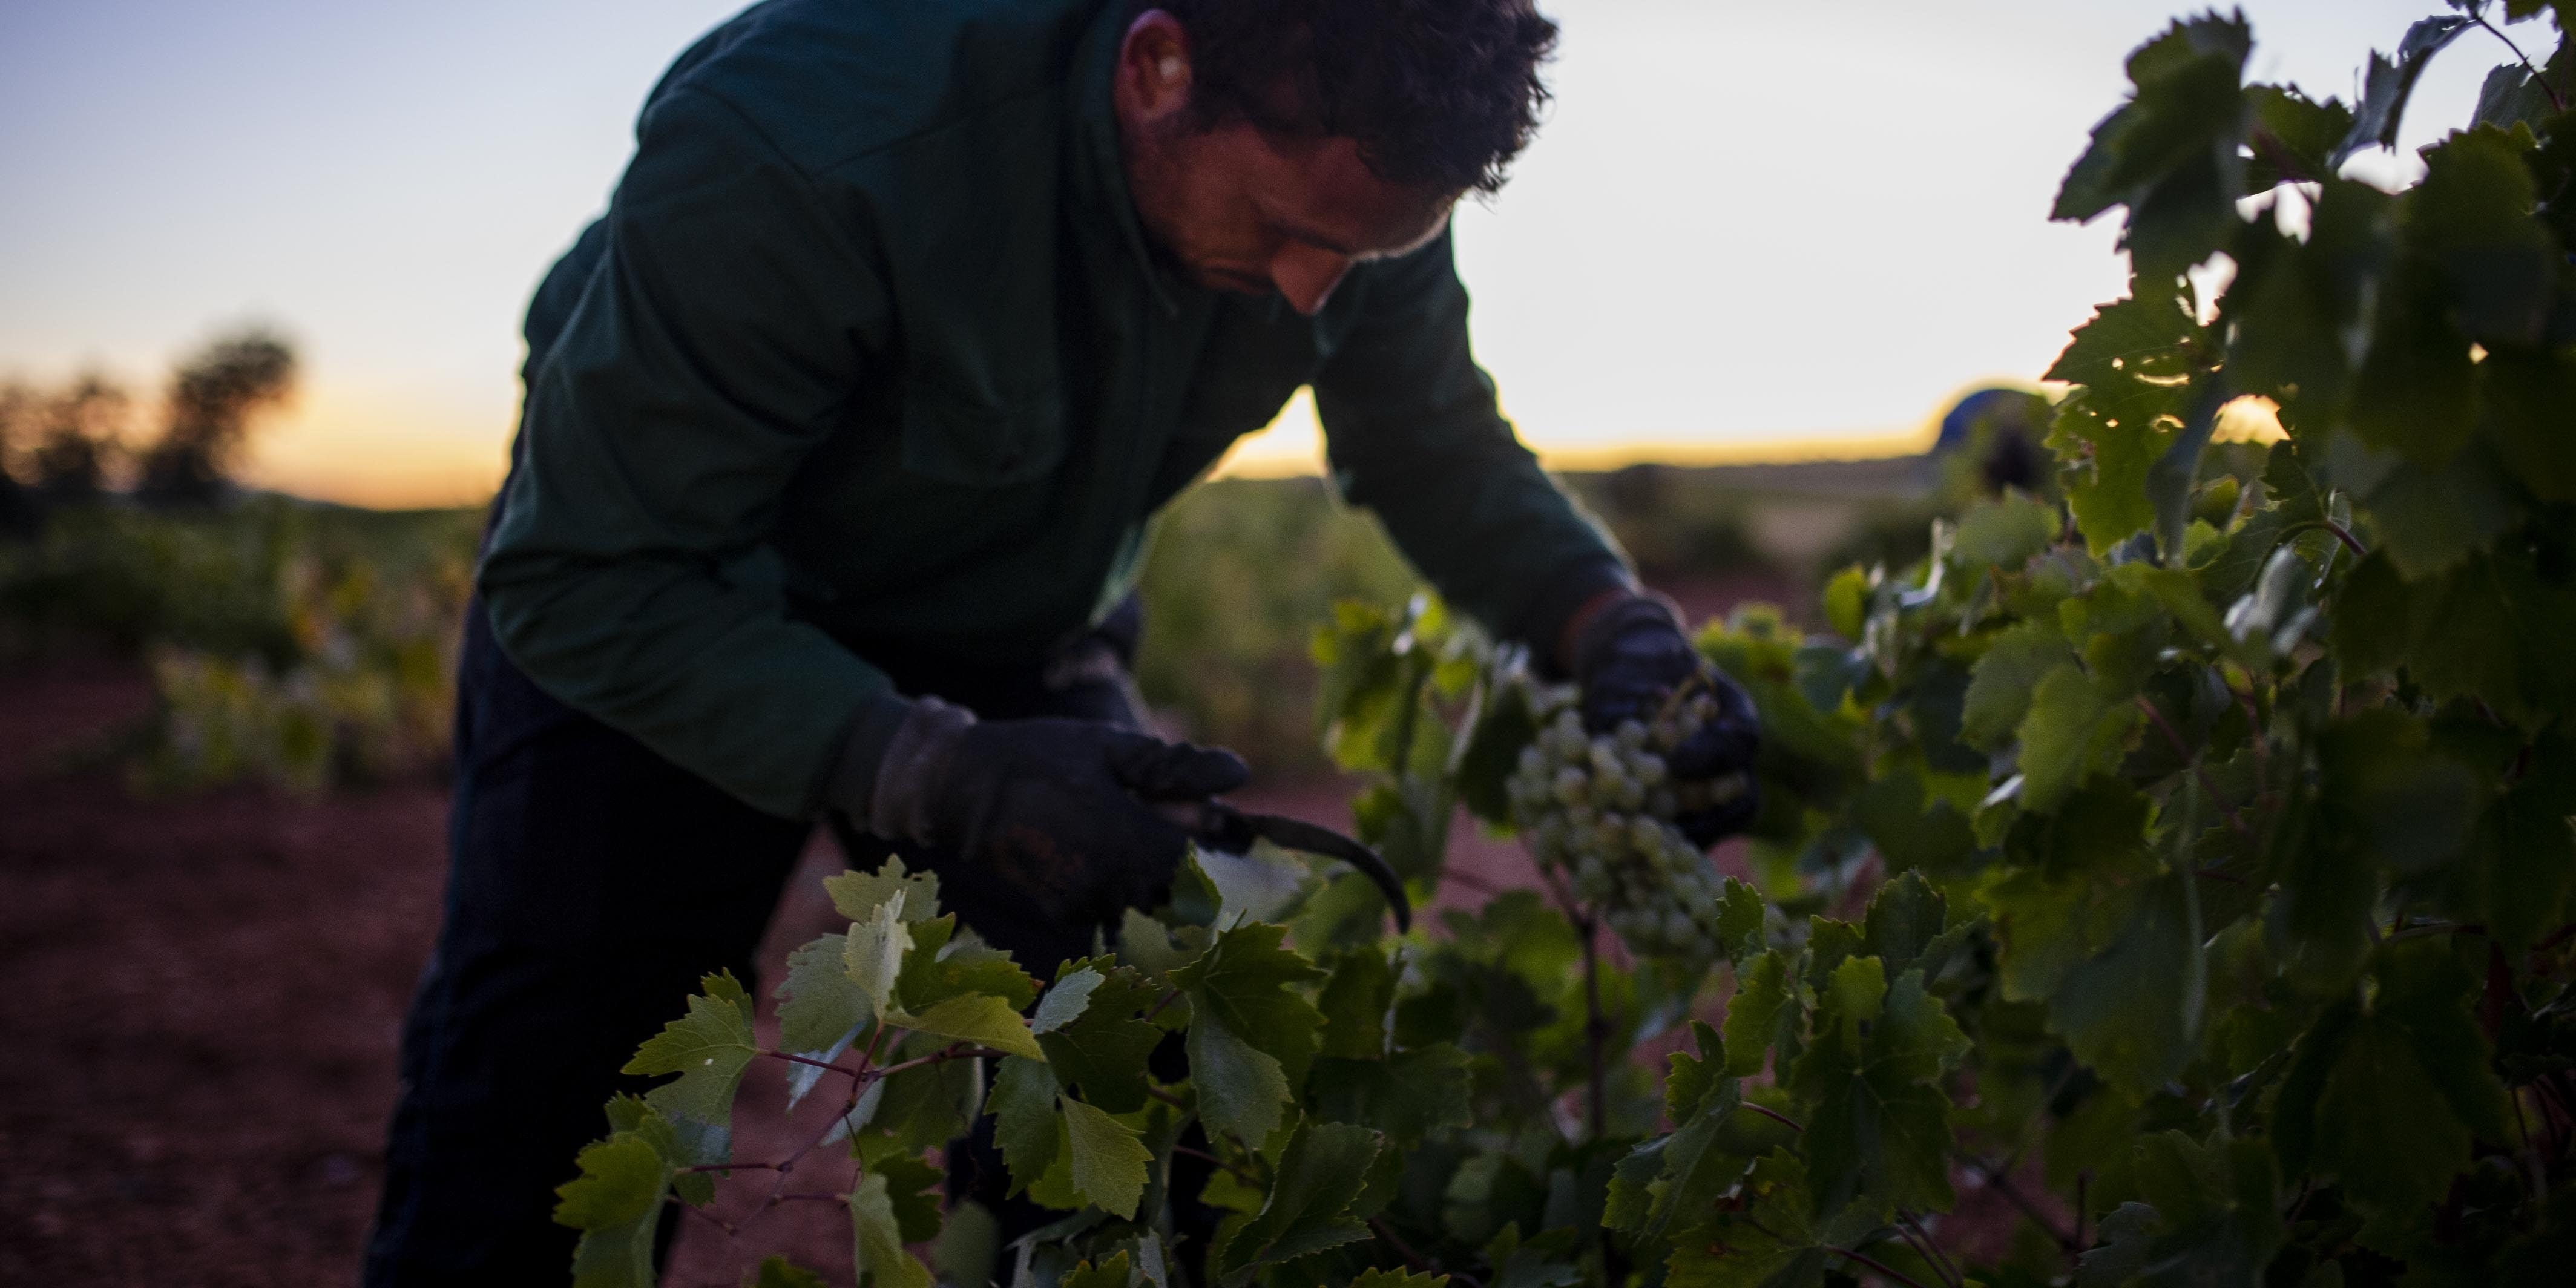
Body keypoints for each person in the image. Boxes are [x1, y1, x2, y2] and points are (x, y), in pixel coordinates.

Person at [363, 0, 1761, 1281]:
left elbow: (1430, 438)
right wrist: (942, 772)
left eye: (1362, 254)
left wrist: (1610, 623)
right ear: (1155, 68)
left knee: (1143, 1060)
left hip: (1014, 610)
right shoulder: (799, 143)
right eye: (1290, 233)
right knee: (549, 1106)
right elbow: (589, 576)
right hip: (672, 594)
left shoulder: (1357, 164)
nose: (1313, 291)